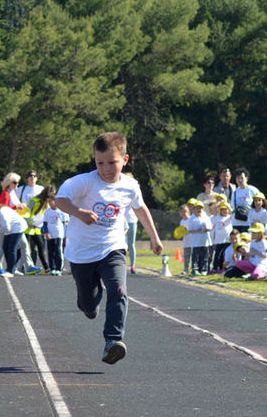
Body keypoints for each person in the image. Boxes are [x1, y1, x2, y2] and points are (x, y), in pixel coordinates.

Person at [55, 131, 163, 365]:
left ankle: (113, 341)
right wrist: (79, 212)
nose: (105, 169)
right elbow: (60, 200)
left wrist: (155, 238)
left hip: (112, 248)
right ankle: (89, 305)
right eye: (99, 163)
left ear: (124, 160)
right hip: (81, 252)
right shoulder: (83, 182)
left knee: (119, 290)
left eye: (111, 163)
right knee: (88, 302)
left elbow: (141, 209)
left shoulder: (130, 186)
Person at [23, 186, 55, 274]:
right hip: (28, 228)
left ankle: (46, 269)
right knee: (23, 248)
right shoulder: (35, 200)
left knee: (40, 248)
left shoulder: (48, 204)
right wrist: (28, 222)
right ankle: (15, 267)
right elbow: (26, 212)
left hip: (37, 228)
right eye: (52, 195)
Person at [230, 168, 260, 234]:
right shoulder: (235, 192)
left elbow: (259, 205)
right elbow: (232, 207)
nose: (240, 180)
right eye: (238, 178)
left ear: (247, 178)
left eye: (242, 178)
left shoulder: (253, 190)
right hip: (236, 222)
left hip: (248, 222)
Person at [188, 200, 212, 275]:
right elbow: (189, 230)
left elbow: (210, 227)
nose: (199, 210)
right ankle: (195, 270)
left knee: (204, 257)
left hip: (205, 241)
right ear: (194, 209)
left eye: (200, 208)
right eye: (197, 208)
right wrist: (197, 231)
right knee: (196, 257)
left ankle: (203, 269)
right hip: (196, 242)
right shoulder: (191, 219)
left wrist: (207, 229)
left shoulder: (206, 217)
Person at [210, 202, 233, 273]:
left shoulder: (229, 217)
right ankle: (215, 268)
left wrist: (227, 205)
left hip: (227, 240)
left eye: (226, 209)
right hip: (219, 240)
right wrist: (219, 203)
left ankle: (223, 268)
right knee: (217, 254)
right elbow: (214, 208)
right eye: (223, 209)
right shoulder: (217, 217)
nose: (225, 211)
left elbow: (232, 212)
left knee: (225, 255)